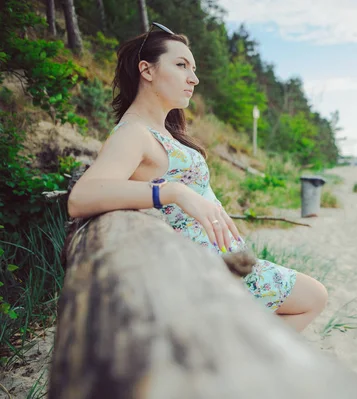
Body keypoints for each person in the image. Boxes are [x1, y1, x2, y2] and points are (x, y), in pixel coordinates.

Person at [67, 22, 328, 332]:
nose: (194, 78)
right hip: (201, 271)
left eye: (193, 68)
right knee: (314, 296)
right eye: (181, 65)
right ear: (146, 71)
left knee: (304, 302)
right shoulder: (133, 133)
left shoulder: (162, 131)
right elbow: (81, 198)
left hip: (220, 263)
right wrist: (172, 191)